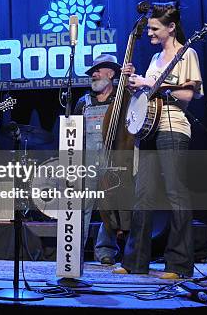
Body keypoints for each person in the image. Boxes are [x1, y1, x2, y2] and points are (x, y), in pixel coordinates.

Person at [114, 1, 203, 279]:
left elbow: (188, 96)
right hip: (148, 128)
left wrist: (151, 85)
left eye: (154, 28)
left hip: (173, 126)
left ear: (171, 27)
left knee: (176, 192)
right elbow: (146, 94)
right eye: (149, 28)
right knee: (143, 195)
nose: (150, 33)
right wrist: (134, 84)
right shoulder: (154, 60)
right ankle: (135, 261)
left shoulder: (187, 54)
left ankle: (178, 264)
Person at [74, 54, 132, 265]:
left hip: (113, 161)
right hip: (87, 162)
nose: (94, 75)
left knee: (110, 210)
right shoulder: (83, 102)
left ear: (111, 73)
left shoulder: (123, 98)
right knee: (82, 208)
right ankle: (74, 252)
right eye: (92, 72)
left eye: (98, 70)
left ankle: (105, 251)